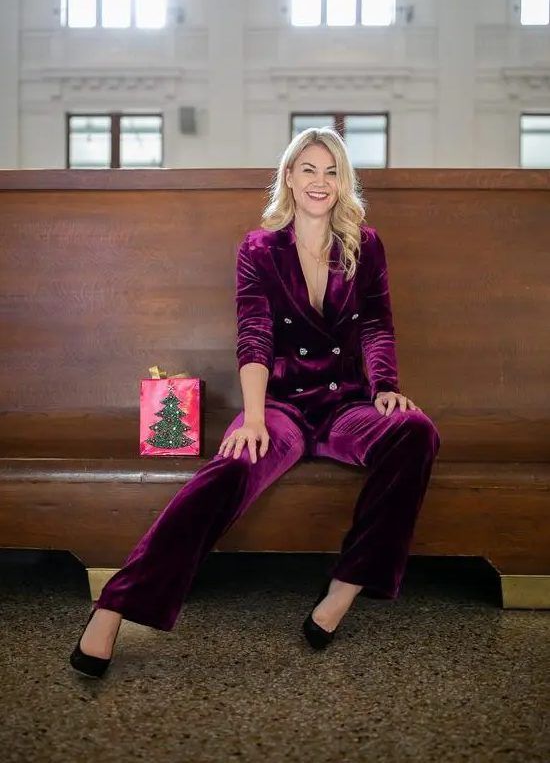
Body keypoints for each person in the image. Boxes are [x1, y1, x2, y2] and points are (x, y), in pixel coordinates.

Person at [70, 127, 441, 676]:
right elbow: (255, 335)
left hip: (345, 407)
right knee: (229, 469)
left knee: (417, 431)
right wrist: (256, 416)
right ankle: (115, 608)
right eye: (308, 169)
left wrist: (385, 387)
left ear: (344, 182)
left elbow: (377, 327)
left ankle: (343, 589)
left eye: (332, 171)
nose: (320, 181)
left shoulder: (366, 244)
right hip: (283, 405)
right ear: (289, 177)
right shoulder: (259, 248)